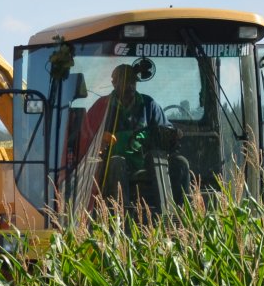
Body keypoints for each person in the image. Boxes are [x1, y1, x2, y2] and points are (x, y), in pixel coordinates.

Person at [77, 64, 189, 207]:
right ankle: (123, 214)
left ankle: (180, 213)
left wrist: (172, 134)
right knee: (117, 162)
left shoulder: (149, 105)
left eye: (132, 82)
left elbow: (166, 129)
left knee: (180, 162)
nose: (129, 86)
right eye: (124, 81)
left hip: (147, 163)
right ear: (114, 83)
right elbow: (85, 135)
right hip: (110, 165)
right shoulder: (102, 106)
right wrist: (101, 139)